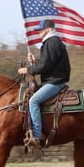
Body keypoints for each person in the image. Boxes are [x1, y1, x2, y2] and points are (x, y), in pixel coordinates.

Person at [18, 19, 71, 149]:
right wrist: (35, 60)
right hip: (53, 80)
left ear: (47, 30)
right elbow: (47, 62)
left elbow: (46, 66)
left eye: (40, 30)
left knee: (33, 101)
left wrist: (28, 70)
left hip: (55, 82)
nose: (39, 32)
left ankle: (36, 137)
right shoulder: (52, 42)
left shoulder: (51, 43)